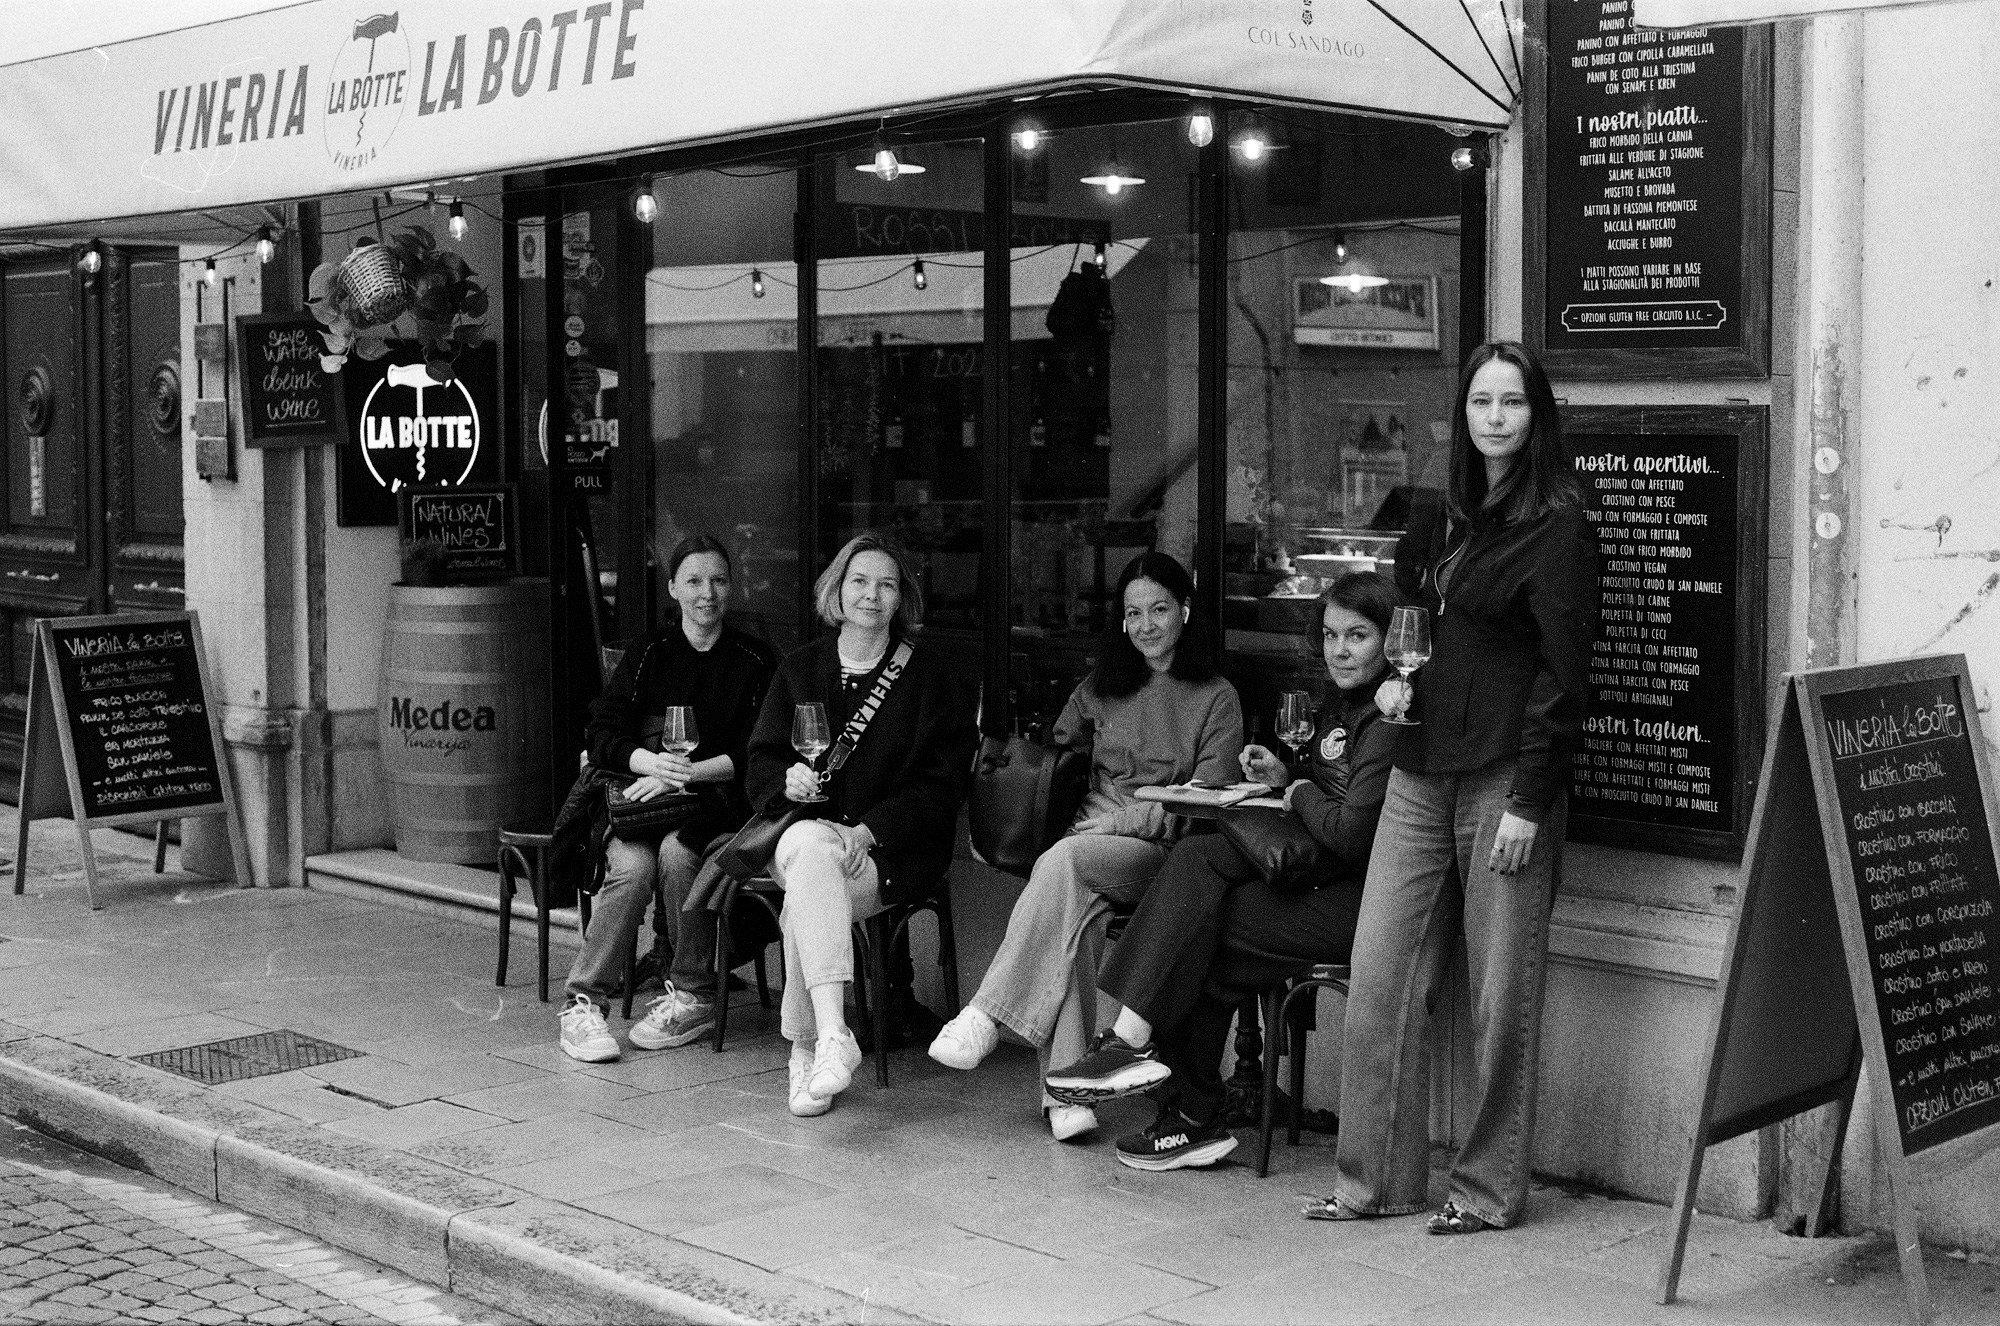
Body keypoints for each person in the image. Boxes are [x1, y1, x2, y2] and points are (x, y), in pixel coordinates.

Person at [1309, 341, 1598, 1233]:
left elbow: (1565, 676)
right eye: (1482, 401)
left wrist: (1529, 802)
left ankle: (1484, 1191)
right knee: (1380, 976)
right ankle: (1370, 1184)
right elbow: (1414, 625)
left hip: (1504, 778)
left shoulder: (1559, 528)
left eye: (1512, 402)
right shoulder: (1439, 518)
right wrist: (1399, 684)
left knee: (1501, 996)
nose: (1496, 417)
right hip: (1419, 768)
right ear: (1464, 414)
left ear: (1535, 415)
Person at [1039, 572, 1402, 1170]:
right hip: (1316, 881)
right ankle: (1177, 1101)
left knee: (1198, 924)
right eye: (1331, 634)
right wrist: (1286, 780)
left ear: (1391, 643)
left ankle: (1172, 1093)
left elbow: (1350, 833)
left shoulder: (1388, 718)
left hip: (1360, 902)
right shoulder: (1344, 704)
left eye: (1358, 636)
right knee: (1199, 877)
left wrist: (1297, 791)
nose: (1339, 649)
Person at [928, 552, 1244, 1141]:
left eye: (1159, 609)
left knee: (1066, 864)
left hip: (1157, 853)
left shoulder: (1216, 696)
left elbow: (1202, 801)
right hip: (1080, 850)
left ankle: (987, 1012)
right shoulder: (1102, 686)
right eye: (1133, 613)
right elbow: (1057, 759)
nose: (1146, 625)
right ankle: (1066, 1096)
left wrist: (1108, 826)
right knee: (1072, 922)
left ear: (1185, 610)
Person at [747, 531, 977, 1117]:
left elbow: (943, 784)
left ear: (902, 599)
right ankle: (831, 1035)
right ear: (837, 590)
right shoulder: (801, 668)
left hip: (888, 853)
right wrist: (787, 782)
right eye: (860, 581)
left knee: (807, 884)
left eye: (887, 585)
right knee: (806, 847)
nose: (872, 595)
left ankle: (809, 1050)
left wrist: (871, 830)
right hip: (809, 834)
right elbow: (762, 761)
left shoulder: (930, 678)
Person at [558, 535, 780, 1063]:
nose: (709, 593)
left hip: (712, 809)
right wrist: (652, 764)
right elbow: (603, 733)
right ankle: (583, 1004)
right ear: (675, 588)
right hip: (640, 804)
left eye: (720, 580)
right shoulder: (648, 654)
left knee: (683, 856)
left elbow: (759, 748)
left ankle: (692, 992)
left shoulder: (755, 658)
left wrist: (685, 776)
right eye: (696, 581)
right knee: (633, 869)